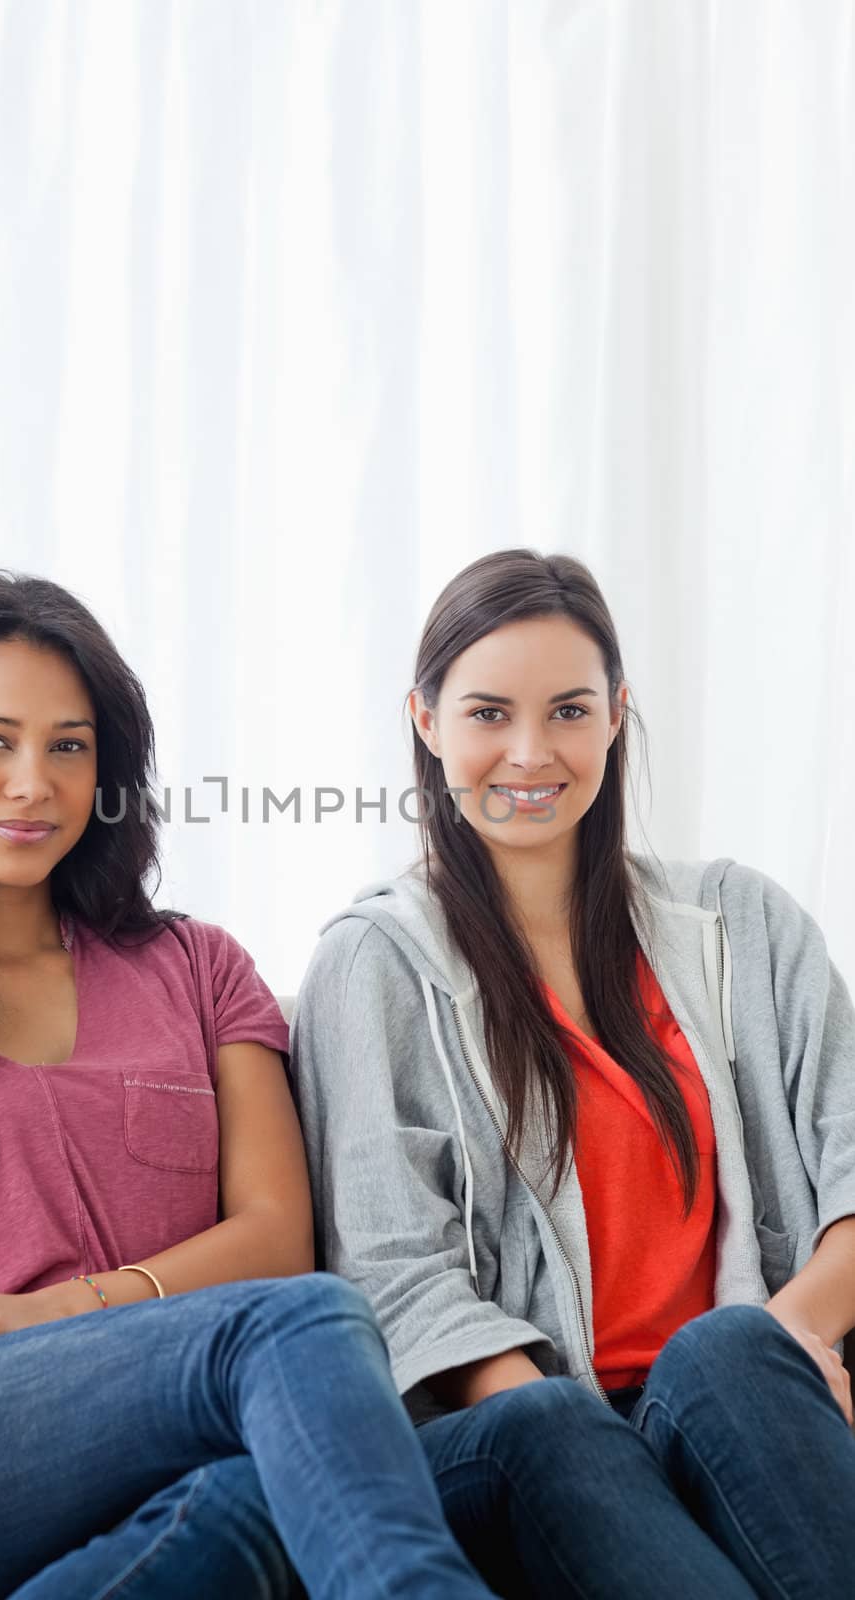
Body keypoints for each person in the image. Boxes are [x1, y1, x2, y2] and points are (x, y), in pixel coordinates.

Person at [0, 569, 494, 1600]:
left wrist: (42, 1313)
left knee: (260, 1499)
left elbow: (273, 1235)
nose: (33, 781)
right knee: (301, 1320)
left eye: (68, 746)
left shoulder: (195, 968)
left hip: (158, 1446)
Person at [290, 547, 855, 1599]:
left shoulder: (742, 924)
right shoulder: (373, 963)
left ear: (615, 713)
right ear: (424, 721)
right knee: (553, 1421)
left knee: (729, 1353)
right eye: (487, 714)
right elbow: (393, 1274)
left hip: (736, 1397)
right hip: (520, 1434)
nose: (527, 752)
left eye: (565, 711)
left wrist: (788, 1346)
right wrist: (614, 1457)